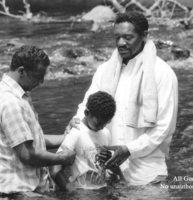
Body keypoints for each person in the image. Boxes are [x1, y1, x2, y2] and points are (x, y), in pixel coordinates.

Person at [66, 11, 178, 185]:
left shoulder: (162, 73)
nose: (120, 43)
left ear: (144, 35)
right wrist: (76, 121)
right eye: (117, 37)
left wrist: (129, 149)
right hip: (108, 171)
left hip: (147, 173)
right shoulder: (104, 71)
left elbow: (164, 127)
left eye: (128, 37)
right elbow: (86, 108)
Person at [0, 45, 76, 195]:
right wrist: (61, 159)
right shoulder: (11, 102)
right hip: (15, 191)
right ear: (21, 71)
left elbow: (27, 139)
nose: (42, 81)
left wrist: (66, 138)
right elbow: (27, 154)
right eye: (38, 76)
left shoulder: (16, 93)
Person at [51, 91, 125, 192]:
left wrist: (108, 160)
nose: (101, 127)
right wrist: (71, 192)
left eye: (106, 123)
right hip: (81, 191)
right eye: (98, 123)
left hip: (101, 190)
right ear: (86, 113)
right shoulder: (76, 133)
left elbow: (106, 169)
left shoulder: (106, 133)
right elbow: (56, 168)